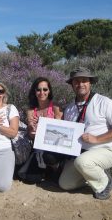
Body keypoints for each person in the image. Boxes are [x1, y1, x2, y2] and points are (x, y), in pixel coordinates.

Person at [59, 67, 112, 200]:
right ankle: (94, 175)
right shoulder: (70, 108)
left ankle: (104, 183)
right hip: (81, 154)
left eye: (84, 80)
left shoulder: (103, 102)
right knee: (65, 183)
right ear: (72, 84)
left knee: (83, 162)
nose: (80, 84)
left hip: (105, 149)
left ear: (90, 83)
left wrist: (97, 139)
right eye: (76, 81)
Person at [21, 77, 63, 183]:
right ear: (34, 91)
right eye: (38, 89)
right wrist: (31, 128)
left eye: (45, 89)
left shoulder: (56, 107)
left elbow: (60, 130)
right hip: (38, 149)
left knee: (49, 157)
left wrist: (43, 125)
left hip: (54, 148)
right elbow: (31, 135)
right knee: (31, 179)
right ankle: (46, 170)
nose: (42, 92)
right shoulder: (31, 110)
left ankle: (55, 167)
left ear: (49, 91)